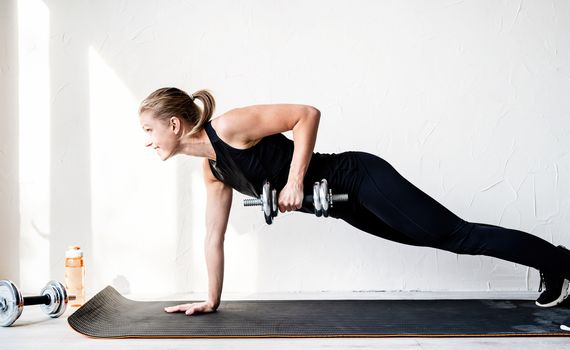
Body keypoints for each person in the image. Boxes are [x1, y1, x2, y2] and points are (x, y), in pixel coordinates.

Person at [138, 87, 570, 331]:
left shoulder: (230, 127)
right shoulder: (213, 171)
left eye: (149, 130)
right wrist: (211, 300)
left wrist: (293, 180)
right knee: (440, 240)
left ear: (174, 125)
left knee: (457, 236)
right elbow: (213, 237)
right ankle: (553, 262)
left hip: (358, 177)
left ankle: (561, 261)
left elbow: (306, 114)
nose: (147, 140)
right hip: (344, 205)